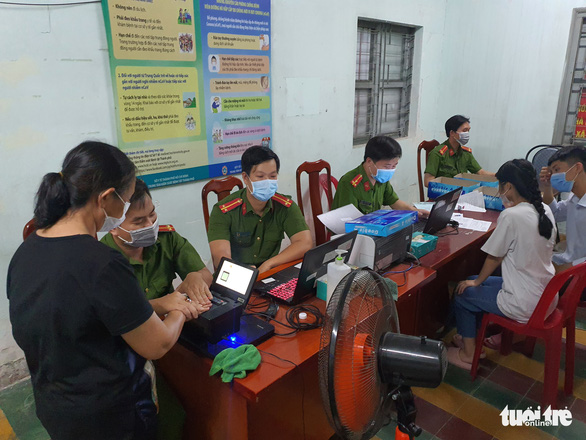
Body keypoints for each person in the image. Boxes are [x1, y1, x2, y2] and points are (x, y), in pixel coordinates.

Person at [7, 141, 205, 440]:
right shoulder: (101, 263)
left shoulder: (27, 251)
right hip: (111, 417)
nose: (127, 209)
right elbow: (157, 345)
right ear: (107, 198)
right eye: (126, 202)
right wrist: (178, 307)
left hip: (56, 408)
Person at [101, 178, 212, 440]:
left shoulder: (167, 238)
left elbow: (203, 273)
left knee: (203, 388)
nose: (150, 225)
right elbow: (111, 317)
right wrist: (163, 304)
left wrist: (197, 277)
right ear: (115, 226)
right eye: (138, 222)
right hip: (129, 350)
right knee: (162, 416)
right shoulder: (102, 259)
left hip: (174, 335)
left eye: (152, 215)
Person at [448, 159, 556, 370]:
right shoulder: (544, 209)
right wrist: (475, 282)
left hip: (525, 302)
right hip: (546, 295)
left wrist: (478, 282)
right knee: (469, 282)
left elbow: (494, 258)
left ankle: (469, 354)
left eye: (500, 186)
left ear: (508, 187)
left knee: (463, 293)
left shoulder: (512, 215)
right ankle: (469, 338)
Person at [207, 145, 312, 273]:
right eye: (260, 177)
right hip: (234, 276)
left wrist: (269, 264)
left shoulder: (284, 206)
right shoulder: (223, 211)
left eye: (272, 176)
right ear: (246, 178)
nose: (267, 182)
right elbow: (221, 258)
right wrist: (243, 272)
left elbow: (305, 242)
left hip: (269, 274)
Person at [332, 135, 429, 218]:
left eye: (394, 166)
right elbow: (347, 222)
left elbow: (394, 201)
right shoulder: (349, 182)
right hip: (353, 234)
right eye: (387, 166)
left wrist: (415, 212)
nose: (390, 170)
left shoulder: (380, 178)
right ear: (369, 161)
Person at [539, 146, 586, 273]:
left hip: (578, 274)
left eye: (557, 169)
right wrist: (547, 187)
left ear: (577, 168)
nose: (553, 175)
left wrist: (561, 271)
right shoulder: (575, 197)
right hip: (567, 261)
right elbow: (554, 213)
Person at [424, 115, 493, 186]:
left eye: (468, 131)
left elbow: (480, 173)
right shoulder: (438, 153)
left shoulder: (466, 154)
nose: (467, 134)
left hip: (461, 194)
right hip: (443, 194)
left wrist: (499, 175)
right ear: (452, 133)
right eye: (464, 130)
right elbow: (427, 182)